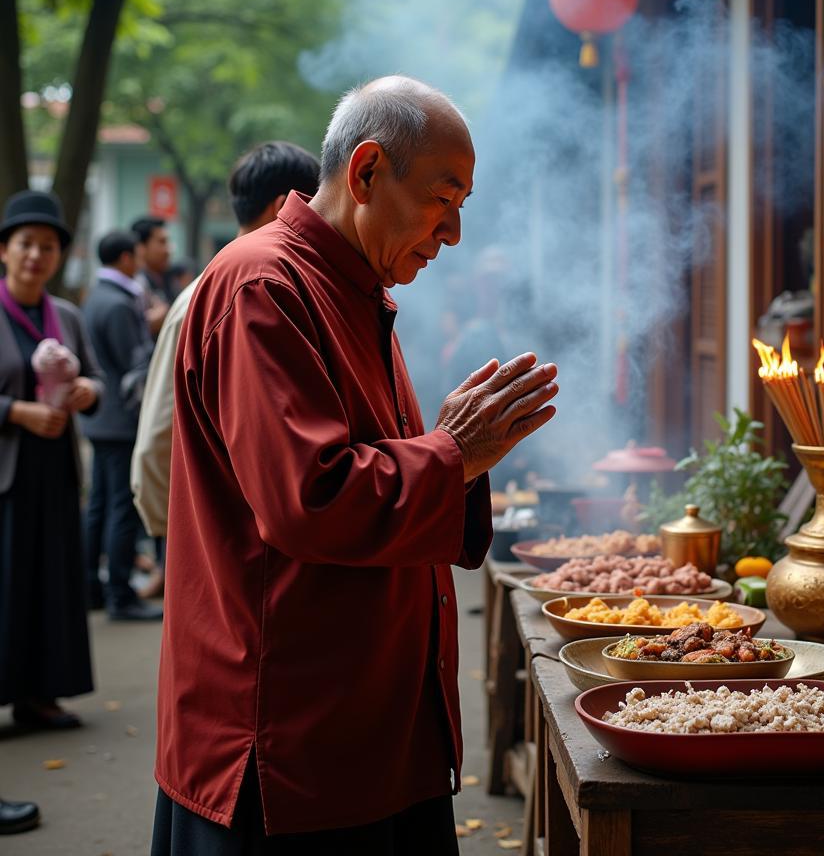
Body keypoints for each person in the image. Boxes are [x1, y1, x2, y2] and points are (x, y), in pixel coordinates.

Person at [152, 77, 558, 854]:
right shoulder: (263, 286)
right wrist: (453, 453)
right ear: (367, 172)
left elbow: (379, 459)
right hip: (284, 738)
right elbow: (310, 496)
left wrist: (454, 453)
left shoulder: (354, 288)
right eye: (446, 197)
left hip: (367, 719)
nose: (455, 233)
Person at [131, 141, 320, 549]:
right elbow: (158, 439)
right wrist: (185, 526)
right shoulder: (219, 297)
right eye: (314, 205)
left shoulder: (257, 290)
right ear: (282, 206)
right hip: (220, 538)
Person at [0, 190, 101, 730]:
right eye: (25, 245)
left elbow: (95, 377)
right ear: (4, 251)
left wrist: (88, 389)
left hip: (57, 469)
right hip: (8, 474)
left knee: (51, 582)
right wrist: (15, 411)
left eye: (46, 246)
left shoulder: (65, 315)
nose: (35, 255)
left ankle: (40, 697)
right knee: (9, 583)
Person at [81, 231, 161, 622]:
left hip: (99, 418)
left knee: (98, 505)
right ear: (127, 258)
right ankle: (120, 593)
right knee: (120, 508)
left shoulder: (94, 297)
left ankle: (92, 588)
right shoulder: (120, 303)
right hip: (121, 421)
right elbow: (136, 368)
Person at [131, 217, 172, 336]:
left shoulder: (167, 278)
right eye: (162, 242)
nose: (168, 249)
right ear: (141, 247)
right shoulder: (135, 283)